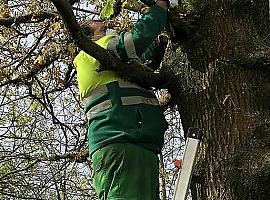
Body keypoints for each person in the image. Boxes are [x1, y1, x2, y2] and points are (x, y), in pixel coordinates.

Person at [73, 0, 169, 199]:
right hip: (120, 141)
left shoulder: (114, 63)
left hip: (138, 143)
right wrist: (160, 8)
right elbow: (136, 41)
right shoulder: (93, 51)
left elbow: (142, 65)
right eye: (94, 22)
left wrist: (160, 43)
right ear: (88, 36)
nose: (102, 21)